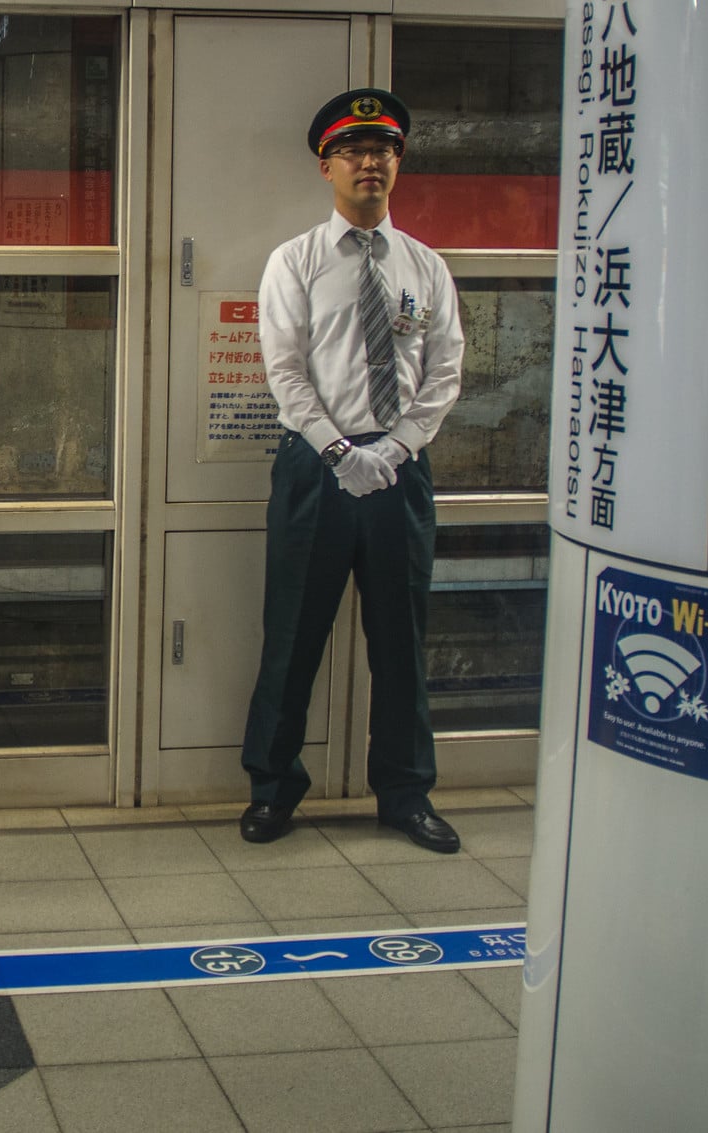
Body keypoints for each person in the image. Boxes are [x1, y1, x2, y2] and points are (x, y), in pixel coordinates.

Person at [239, 88, 465, 853]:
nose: (371, 162)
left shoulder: (425, 266)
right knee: (293, 634)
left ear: (398, 163)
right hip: (316, 468)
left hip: (400, 470)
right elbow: (285, 370)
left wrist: (394, 449)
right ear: (326, 165)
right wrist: (339, 452)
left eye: (385, 150)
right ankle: (273, 788)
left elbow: (445, 370)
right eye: (354, 151)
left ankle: (405, 793)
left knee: (402, 640)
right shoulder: (296, 260)